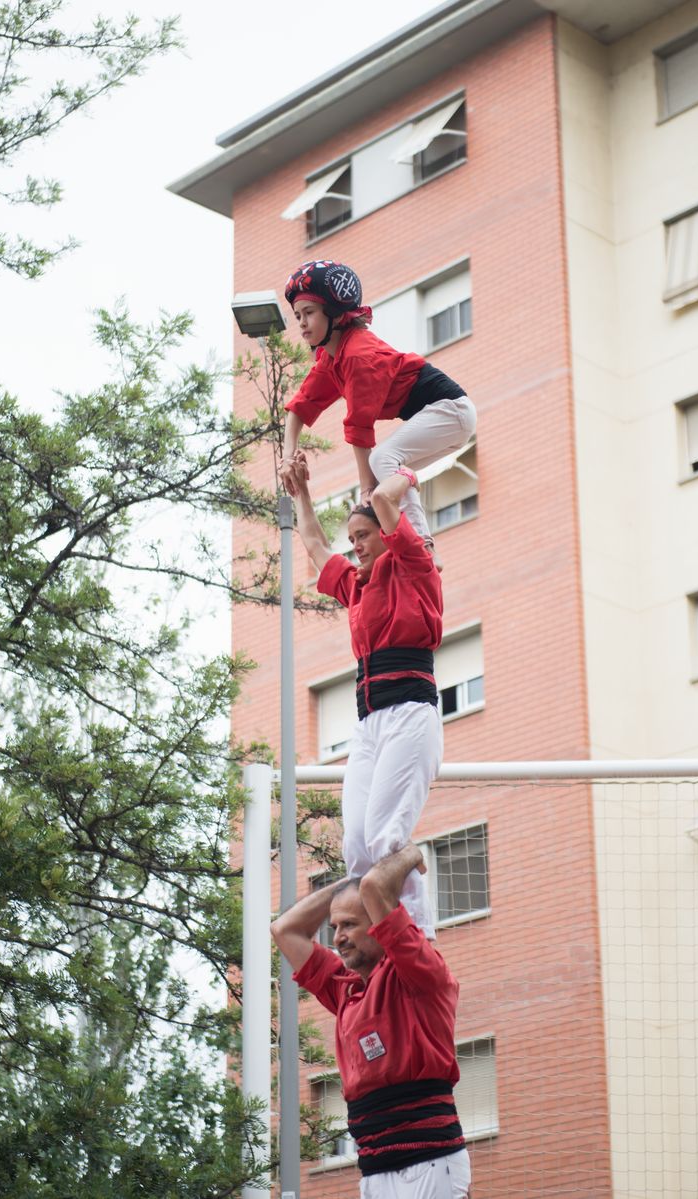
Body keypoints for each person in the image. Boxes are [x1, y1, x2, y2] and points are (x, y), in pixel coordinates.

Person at [290, 455, 442, 937]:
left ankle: (417, 936)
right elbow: (315, 544)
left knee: (385, 837)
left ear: (388, 534)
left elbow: (381, 497)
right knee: (356, 847)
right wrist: (301, 493)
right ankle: (379, 942)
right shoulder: (356, 586)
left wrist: (405, 475)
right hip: (369, 722)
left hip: (409, 713)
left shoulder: (414, 566)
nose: (354, 545)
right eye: (352, 538)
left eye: (363, 536)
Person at [271, 844, 472, 1198]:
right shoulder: (344, 989)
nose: (338, 937)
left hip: (430, 1161)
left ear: (380, 926)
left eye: (349, 924)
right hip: (374, 1171)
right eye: (334, 926)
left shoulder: (418, 972)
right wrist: (346, 885)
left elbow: (374, 886)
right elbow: (284, 929)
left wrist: (409, 855)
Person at [279, 260, 476, 559]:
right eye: (298, 316)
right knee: (389, 475)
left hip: (450, 410)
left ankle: (422, 545)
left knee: (382, 460)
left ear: (335, 313)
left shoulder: (357, 355)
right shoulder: (332, 361)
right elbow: (299, 407)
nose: (302, 323)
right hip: (447, 418)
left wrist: (366, 490)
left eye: (309, 313)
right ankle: (405, 546)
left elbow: (359, 428)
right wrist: (287, 458)